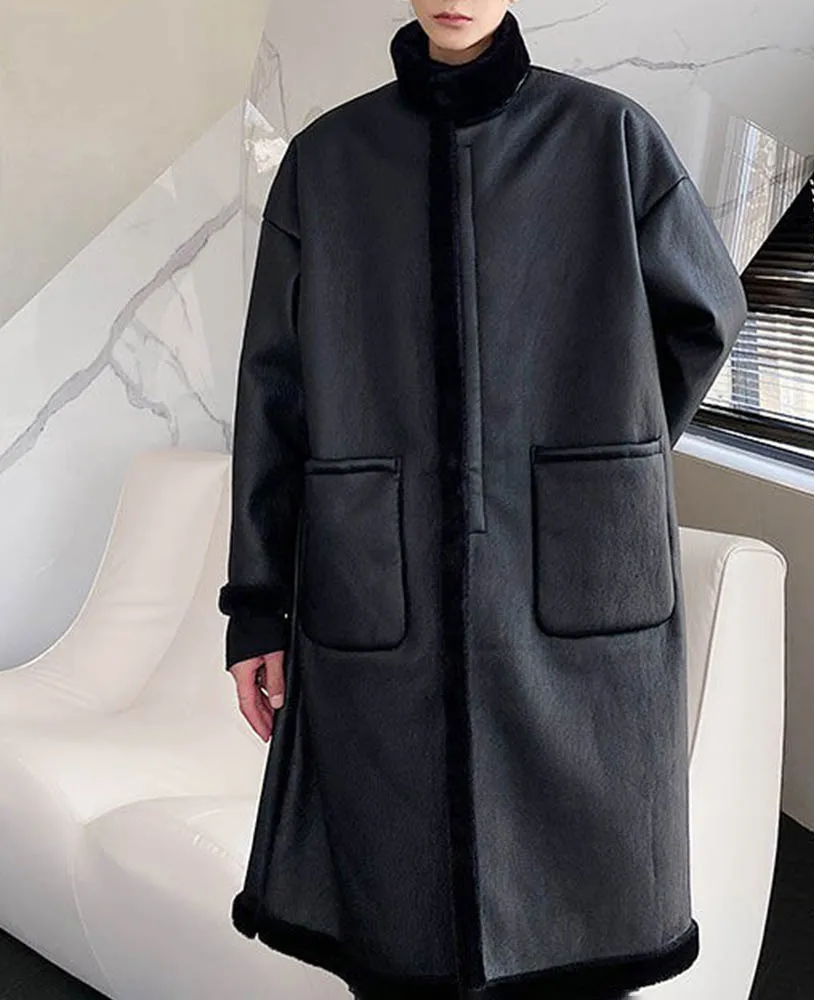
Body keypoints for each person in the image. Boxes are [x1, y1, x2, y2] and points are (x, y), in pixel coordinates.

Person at [217, 2, 747, 999]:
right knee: (395, 913)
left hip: (574, 593)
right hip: (380, 592)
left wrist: (603, 466)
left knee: (578, 917)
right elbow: (274, 391)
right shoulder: (328, 162)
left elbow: (706, 313)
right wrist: (256, 606)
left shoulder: (608, 138)